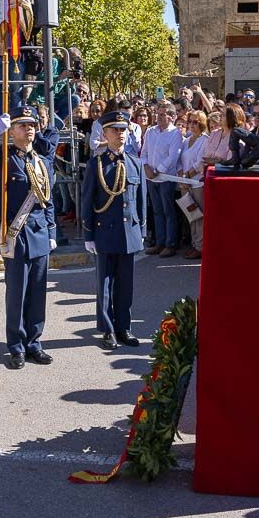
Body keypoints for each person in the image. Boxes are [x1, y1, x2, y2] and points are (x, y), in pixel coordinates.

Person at [0, 107, 58, 368]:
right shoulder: (4, 158)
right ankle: (16, 346)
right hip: (15, 235)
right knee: (16, 294)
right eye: (22, 125)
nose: (29, 128)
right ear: (12, 130)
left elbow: (47, 200)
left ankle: (34, 343)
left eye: (32, 125)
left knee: (38, 293)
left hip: (39, 234)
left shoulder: (43, 160)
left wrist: (52, 232)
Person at [82, 111, 146, 349]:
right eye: (115, 130)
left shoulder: (135, 163)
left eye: (123, 130)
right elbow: (88, 201)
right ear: (105, 134)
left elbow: (140, 201)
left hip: (129, 232)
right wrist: (88, 234)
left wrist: (142, 231)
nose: (120, 134)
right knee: (105, 284)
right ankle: (107, 329)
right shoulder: (96, 165)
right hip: (105, 231)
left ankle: (124, 327)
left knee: (125, 284)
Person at [142, 102, 183, 257]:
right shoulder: (151, 132)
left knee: (168, 212)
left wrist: (158, 170)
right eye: (158, 114)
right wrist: (146, 168)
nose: (158, 117)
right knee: (157, 211)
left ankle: (170, 244)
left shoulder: (175, 133)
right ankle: (160, 242)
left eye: (162, 114)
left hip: (166, 179)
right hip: (151, 178)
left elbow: (173, 157)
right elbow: (144, 152)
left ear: (171, 117)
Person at [178, 111, 208, 259]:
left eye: (195, 122)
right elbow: (180, 160)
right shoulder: (186, 140)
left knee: (199, 215)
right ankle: (195, 244)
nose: (191, 125)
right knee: (191, 215)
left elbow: (199, 162)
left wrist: (186, 176)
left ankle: (200, 246)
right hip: (185, 184)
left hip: (196, 183)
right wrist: (181, 179)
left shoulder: (205, 140)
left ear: (202, 123)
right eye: (190, 121)